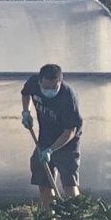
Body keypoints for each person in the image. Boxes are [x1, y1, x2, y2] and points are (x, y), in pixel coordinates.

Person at [20, 61, 82, 207]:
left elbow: (70, 131)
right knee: (44, 182)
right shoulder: (33, 83)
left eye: (54, 87)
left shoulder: (68, 98)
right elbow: (25, 93)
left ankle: (78, 218)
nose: (50, 90)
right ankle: (50, 219)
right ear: (40, 81)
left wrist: (51, 150)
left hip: (67, 143)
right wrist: (26, 112)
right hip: (44, 138)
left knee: (69, 183)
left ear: (60, 81)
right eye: (46, 87)